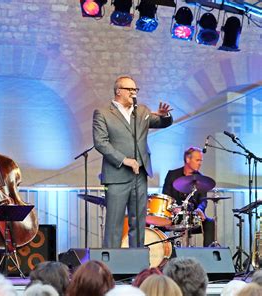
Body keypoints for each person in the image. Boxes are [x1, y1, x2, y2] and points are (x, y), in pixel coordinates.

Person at [93, 75, 173, 248]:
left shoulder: (142, 111)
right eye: (130, 90)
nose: (134, 93)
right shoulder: (103, 113)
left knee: (139, 222)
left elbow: (161, 122)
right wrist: (124, 160)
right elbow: (100, 142)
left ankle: (137, 265)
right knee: (114, 224)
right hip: (117, 176)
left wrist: (165, 116)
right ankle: (112, 266)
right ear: (118, 91)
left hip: (140, 175)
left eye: (135, 90)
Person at [162, 146, 216, 246]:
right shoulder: (172, 175)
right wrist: (174, 208)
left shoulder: (201, 178)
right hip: (173, 216)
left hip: (192, 217)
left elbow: (203, 200)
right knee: (156, 222)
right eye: (197, 160)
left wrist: (199, 209)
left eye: (201, 160)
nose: (200, 163)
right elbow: (166, 196)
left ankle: (208, 254)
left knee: (210, 222)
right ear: (188, 159)